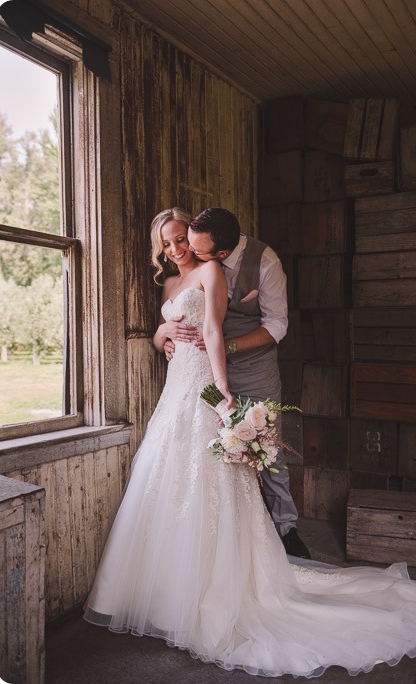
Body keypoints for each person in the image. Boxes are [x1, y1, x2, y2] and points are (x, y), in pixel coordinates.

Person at [84, 207, 416, 679]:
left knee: (222, 475)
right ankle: (163, 593)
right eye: (168, 243)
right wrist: (163, 333)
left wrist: (222, 392)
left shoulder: (219, 270)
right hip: (174, 390)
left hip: (206, 382)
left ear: (212, 247)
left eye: (183, 241)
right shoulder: (170, 284)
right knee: (165, 477)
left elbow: (217, 331)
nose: (177, 250)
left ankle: (252, 559)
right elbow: (165, 337)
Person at [166, 207, 310, 559]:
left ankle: (286, 528)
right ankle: (233, 534)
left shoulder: (265, 262)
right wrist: (166, 335)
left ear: (222, 253)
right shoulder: (197, 257)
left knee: (268, 447)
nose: (188, 253)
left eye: (198, 251)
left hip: (253, 366)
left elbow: (277, 325)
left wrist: (229, 347)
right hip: (203, 369)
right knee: (215, 452)